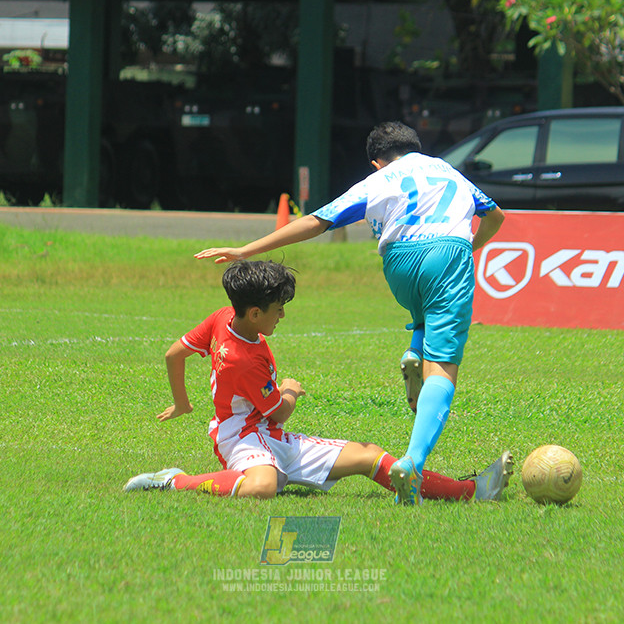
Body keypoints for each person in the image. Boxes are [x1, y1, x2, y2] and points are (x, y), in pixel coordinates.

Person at [194, 122, 509, 505]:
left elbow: (317, 222)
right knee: (443, 369)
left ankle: (416, 349)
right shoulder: (449, 171)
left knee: (425, 316)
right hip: (448, 252)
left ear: (378, 162)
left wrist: (245, 250)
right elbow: (495, 217)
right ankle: (413, 460)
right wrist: (468, 248)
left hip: (399, 263)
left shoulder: (377, 180)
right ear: (416, 148)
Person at [124, 260, 511, 503]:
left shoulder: (224, 316)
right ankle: (176, 481)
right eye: (279, 310)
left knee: (370, 455)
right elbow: (280, 410)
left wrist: (182, 402)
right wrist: (290, 387)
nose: (282, 316)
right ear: (255, 312)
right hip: (241, 437)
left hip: (268, 436)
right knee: (263, 486)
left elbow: (174, 352)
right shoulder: (245, 360)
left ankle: (472, 490)